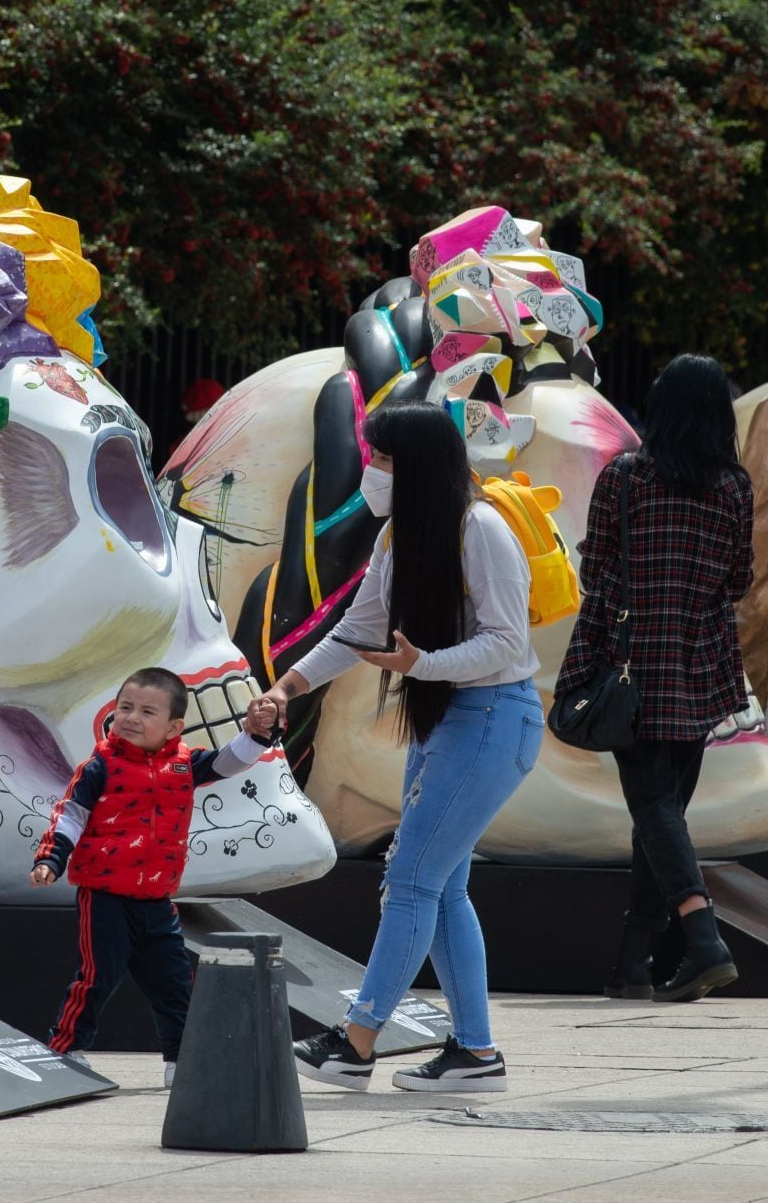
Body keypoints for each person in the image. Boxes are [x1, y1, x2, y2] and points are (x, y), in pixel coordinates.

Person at [251, 400, 541, 1093]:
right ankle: (474, 1054)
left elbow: (507, 643)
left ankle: (357, 1041)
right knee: (439, 889)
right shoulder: (397, 538)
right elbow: (359, 630)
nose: (372, 471)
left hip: (493, 716)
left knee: (412, 879)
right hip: (449, 720)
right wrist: (286, 687)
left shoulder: (483, 531)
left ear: (419, 466)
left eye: (383, 460)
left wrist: (422, 667)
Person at [558, 354, 753, 1004]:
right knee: (663, 809)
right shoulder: (734, 486)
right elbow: (739, 581)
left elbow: (598, 572)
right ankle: (634, 963)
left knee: (653, 806)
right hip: (704, 664)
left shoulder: (628, 477)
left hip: (633, 662)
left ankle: (704, 940)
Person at [31, 667, 278, 1085]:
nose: (131, 718)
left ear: (173, 727)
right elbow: (70, 814)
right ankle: (65, 1048)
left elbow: (229, 761)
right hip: (105, 895)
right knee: (97, 977)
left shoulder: (184, 765)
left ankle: (182, 1059)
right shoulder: (99, 766)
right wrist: (51, 858)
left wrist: (254, 734)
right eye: (125, 707)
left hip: (158, 902)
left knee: (175, 983)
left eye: (147, 712)